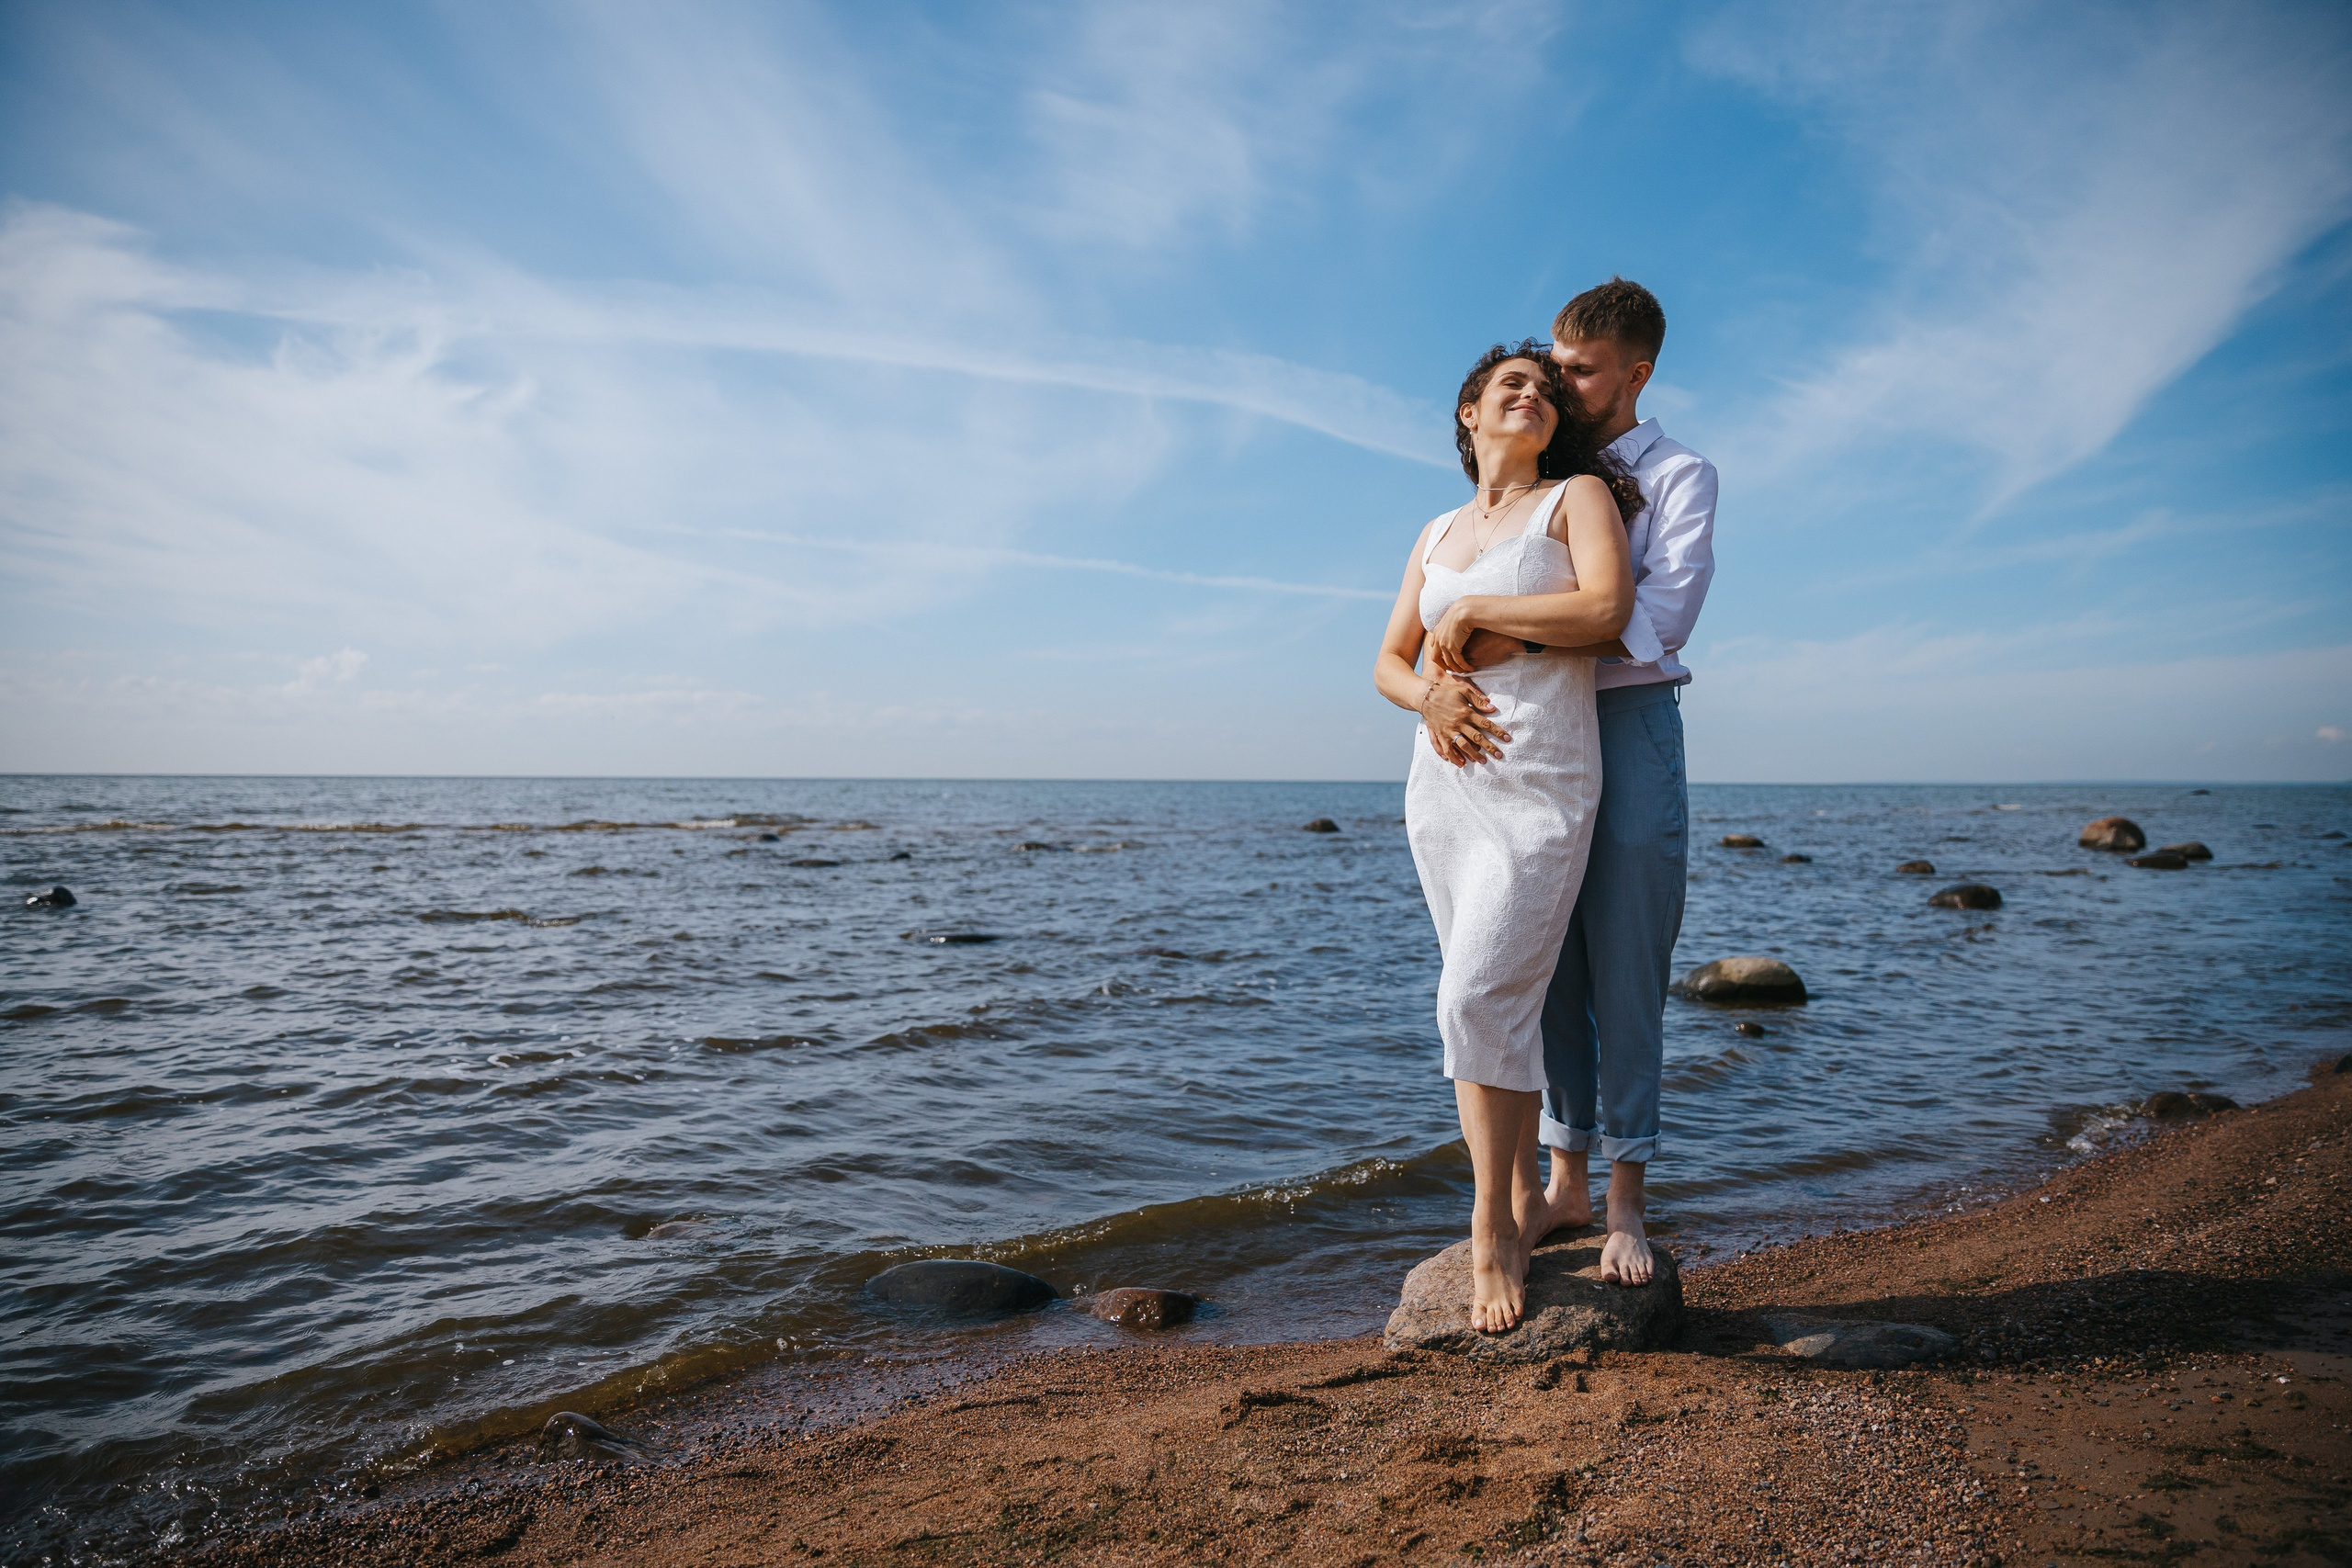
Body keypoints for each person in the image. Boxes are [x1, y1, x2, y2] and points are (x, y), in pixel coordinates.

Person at [1452, 279, 1719, 1288]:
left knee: (1629, 961)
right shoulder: (1540, 478)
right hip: (1534, 733)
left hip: (1630, 720)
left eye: (1580, 369)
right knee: (1542, 958)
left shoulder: (1683, 475)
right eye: (1552, 365)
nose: (1559, 382)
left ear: (1634, 373)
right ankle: (1560, 1182)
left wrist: (1508, 631)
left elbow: (1656, 618)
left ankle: (1626, 1205)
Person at [1373, 342, 1642, 1332]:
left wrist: (1483, 605)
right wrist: (1431, 696)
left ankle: (1491, 1225)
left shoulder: (1575, 499)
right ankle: (1522, 1200)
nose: (1529, 395)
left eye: (1542, 387)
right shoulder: (1437, 527)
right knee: (1492, 1009)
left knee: (1475, 991)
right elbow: (1388, 663)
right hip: (1443, 786)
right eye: (1507, 386)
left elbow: (1608, 611)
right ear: (1467, 414)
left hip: (1539, 777)